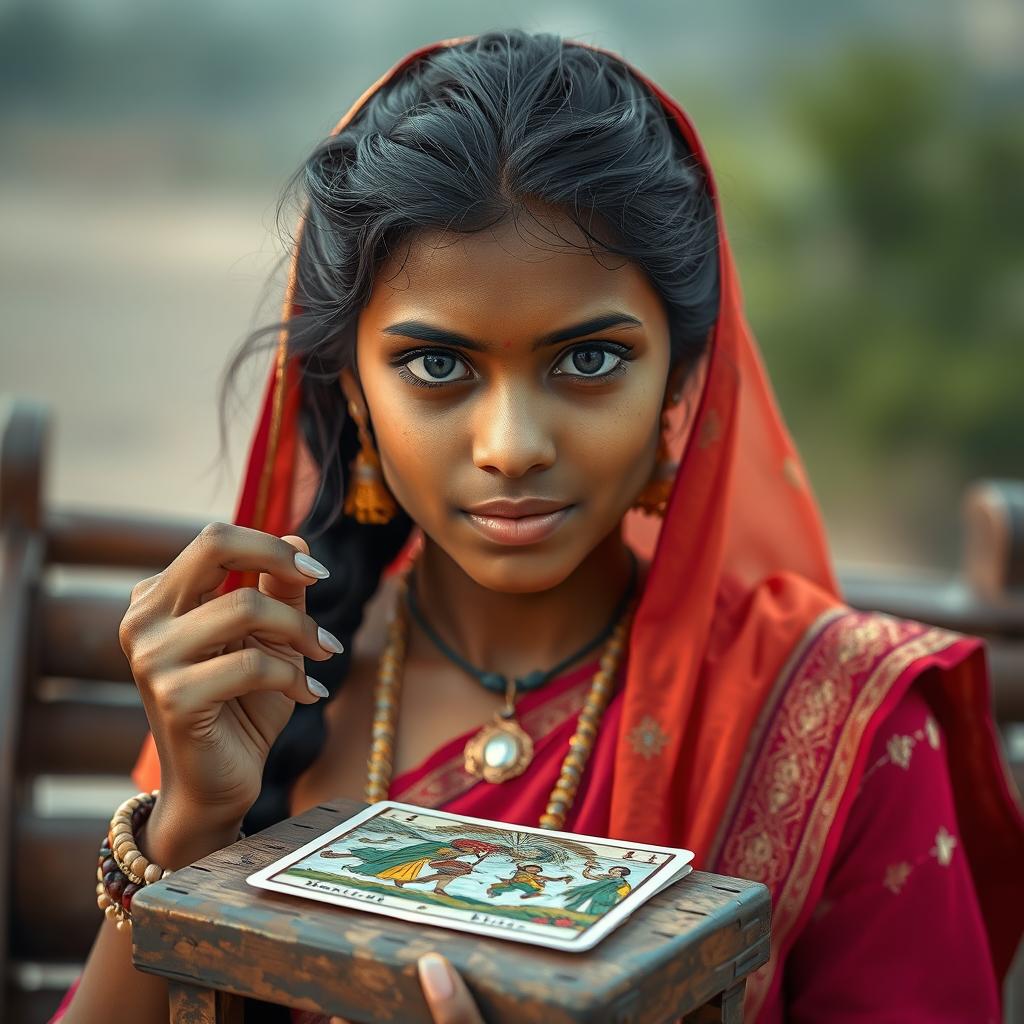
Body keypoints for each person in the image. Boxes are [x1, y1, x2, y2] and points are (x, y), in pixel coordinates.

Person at [51, 29, 1024, 1024]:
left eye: (589, 361)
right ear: (350, 395)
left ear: (680, 385)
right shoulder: (259, 702)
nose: (512, 444)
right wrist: (186, 831)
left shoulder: (831, 729)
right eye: (437, 366)